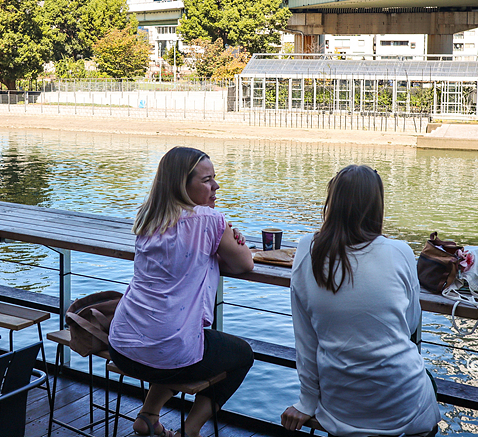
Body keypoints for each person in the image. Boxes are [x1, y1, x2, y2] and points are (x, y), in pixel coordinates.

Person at [281, 165, 441, 437]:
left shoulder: (307, 250)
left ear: (333, 202)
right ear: (377, 206)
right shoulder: (399, 251)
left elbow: (306, 341)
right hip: (404, 406)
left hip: (342, 410)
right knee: (429, 382)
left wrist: (307, 400)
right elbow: (410, 323)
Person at [108, 147, 255, 437]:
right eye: (207, 180)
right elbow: (245, 264)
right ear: (181, 185)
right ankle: (190, 431)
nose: (215, 186)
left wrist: (223, 236)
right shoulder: (211, 221)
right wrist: (231, 234)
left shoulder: (148, 218)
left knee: (180, 339)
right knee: (241, 355)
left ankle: (148, 415)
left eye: (214, 178)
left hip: (122, 345)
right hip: (168, 352)